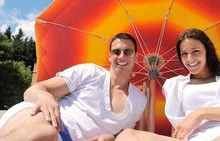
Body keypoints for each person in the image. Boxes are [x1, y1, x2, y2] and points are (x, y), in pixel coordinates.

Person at [115, 28, 220, 141]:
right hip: (198, 138)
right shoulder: (175, 85)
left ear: (208, 50)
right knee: (127, 136)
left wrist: (202, 113)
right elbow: (180, 131)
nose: (190, 59)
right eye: (184, 54)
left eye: (196, 51)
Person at [0, 33, 147, 141]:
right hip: (51, 119)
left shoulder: (139, 100)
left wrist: (109, 137)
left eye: (127, 52)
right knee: (45, 133)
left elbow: (122, 135)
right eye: (116, 51)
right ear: (109, 56)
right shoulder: (90, 72)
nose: (121, 56)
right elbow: (33, 91)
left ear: (136, 57)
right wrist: (46, 97)